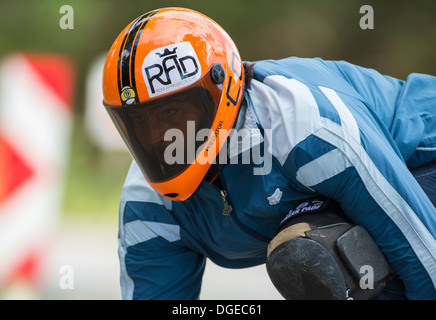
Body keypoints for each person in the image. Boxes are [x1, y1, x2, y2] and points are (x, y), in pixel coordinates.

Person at [102, 7, 436, 300]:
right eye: (139, 122)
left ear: (219, 89)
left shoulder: (307, 127)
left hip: (422, 156)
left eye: (171, 113)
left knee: (316, 252)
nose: (160, 135)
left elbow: (426, 260)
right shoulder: (147, 207)